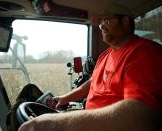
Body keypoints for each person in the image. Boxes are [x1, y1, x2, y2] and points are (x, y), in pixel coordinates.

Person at [18, 3, 162, 131]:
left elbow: (140, 117)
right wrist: (64, 98)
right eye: (100, 23)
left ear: (125, 21)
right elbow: (93, 82)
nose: (102, 26)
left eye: (107, 20)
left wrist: (55, 124)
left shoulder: (143, 52)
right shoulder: (105, 55)